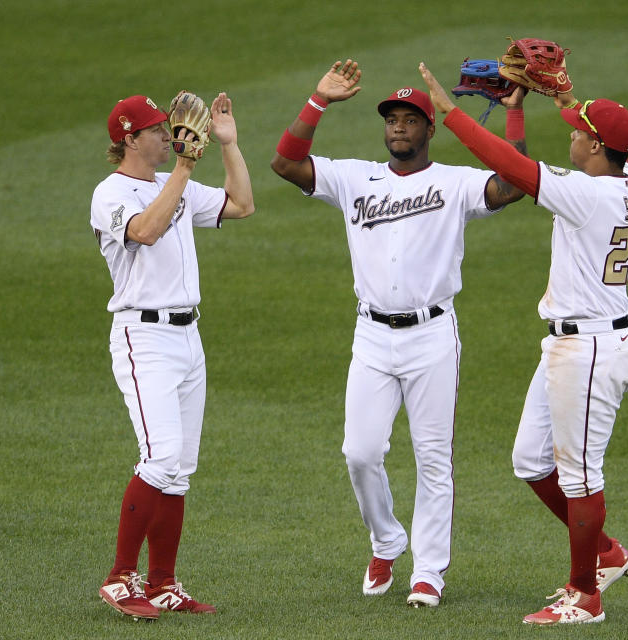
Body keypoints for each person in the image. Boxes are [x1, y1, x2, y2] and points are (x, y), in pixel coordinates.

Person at [270, 60, 525, 608]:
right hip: (371, 337)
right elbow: (286, 164)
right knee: (359, 453)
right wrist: (318, 100)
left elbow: (514, 183)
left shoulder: (454, 182)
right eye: (393, 119)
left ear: (430, 128)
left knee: (433, 458)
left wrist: (516, 117)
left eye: (411, 119)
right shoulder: (354, 177)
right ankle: (386, 538)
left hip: (432, 336)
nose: (399, 128)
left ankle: (429, 572)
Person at [419, 62, 628, 625]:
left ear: (596, 148)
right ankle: (606, 554)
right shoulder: (627, 181)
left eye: (577, 130)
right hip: (579, 343)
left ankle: (583, 596)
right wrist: (528, 104)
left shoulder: (586, 196)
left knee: (580, 476)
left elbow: (510, 167)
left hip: (589, 351)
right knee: (529, 460)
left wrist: (450, 114)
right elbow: (534, 164)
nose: (568, 133)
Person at [90, 91, 254, 620]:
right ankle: (119, 577)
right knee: (159, 458)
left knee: (178, 471)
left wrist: (228, 145)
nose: (171, 134)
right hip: (145, 339)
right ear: (129, 138)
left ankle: (162, 583)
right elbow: (145, 230)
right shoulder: (111, 192)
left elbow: (241, 205)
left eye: (170, 126)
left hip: (189, 339)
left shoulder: (171, 181)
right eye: (158, 129)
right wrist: (183, 169)